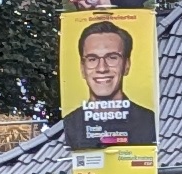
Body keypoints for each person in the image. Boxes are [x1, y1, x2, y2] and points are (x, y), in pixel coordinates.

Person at [64, 18, 158, 148]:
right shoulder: (69, 125)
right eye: (92, 59)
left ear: (126, 65)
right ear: (82, 68)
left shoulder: (149, 122)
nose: (102, 68)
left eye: (112, 57)